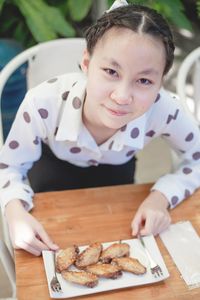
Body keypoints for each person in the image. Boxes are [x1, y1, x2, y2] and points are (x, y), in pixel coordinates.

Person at [0, 0, 200, 256]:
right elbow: (9, 166)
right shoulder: (44, 102)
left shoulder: (164, 109)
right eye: (110, 71)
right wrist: (15, 212)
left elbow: (197, 158)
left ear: (161, 82)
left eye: (144, 80)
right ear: (86, 62)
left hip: (118, 183)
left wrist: (160, 197)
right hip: (52, 176)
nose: (122, 96)